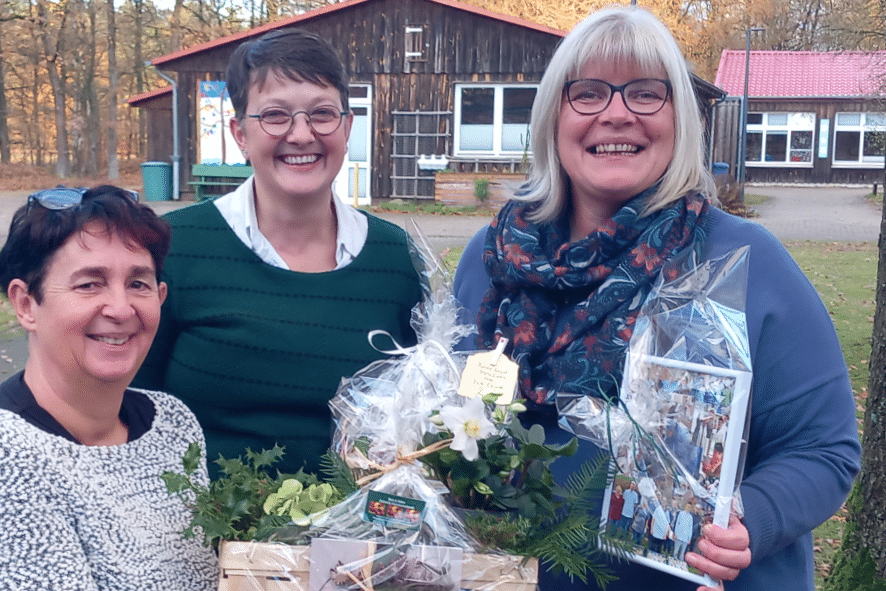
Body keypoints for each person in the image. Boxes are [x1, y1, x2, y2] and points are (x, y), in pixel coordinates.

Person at [453, 6, 860, 591]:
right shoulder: (495, 259)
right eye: (588, 94)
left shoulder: (744, 262)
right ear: (552, 118)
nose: (616, 115)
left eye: (645, 94)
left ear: (680, 121)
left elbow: (823, 449)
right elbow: (454, 411)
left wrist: (751, 520)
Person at [133, 29, 423, 476]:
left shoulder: (397, 259)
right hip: (204, 533)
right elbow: (131, 406)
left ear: (347, 128)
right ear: (240, 134)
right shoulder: (174, 247)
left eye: (322, 114)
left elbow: (418, 417)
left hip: (354, 540)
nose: (302, 134)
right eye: (275, 115)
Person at [0, 185, 217, 590]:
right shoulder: (10, 457)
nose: (120, 309)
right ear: (26, 304)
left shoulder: (172, 425)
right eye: (89, 284)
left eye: (138, 284)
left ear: (161, 296)